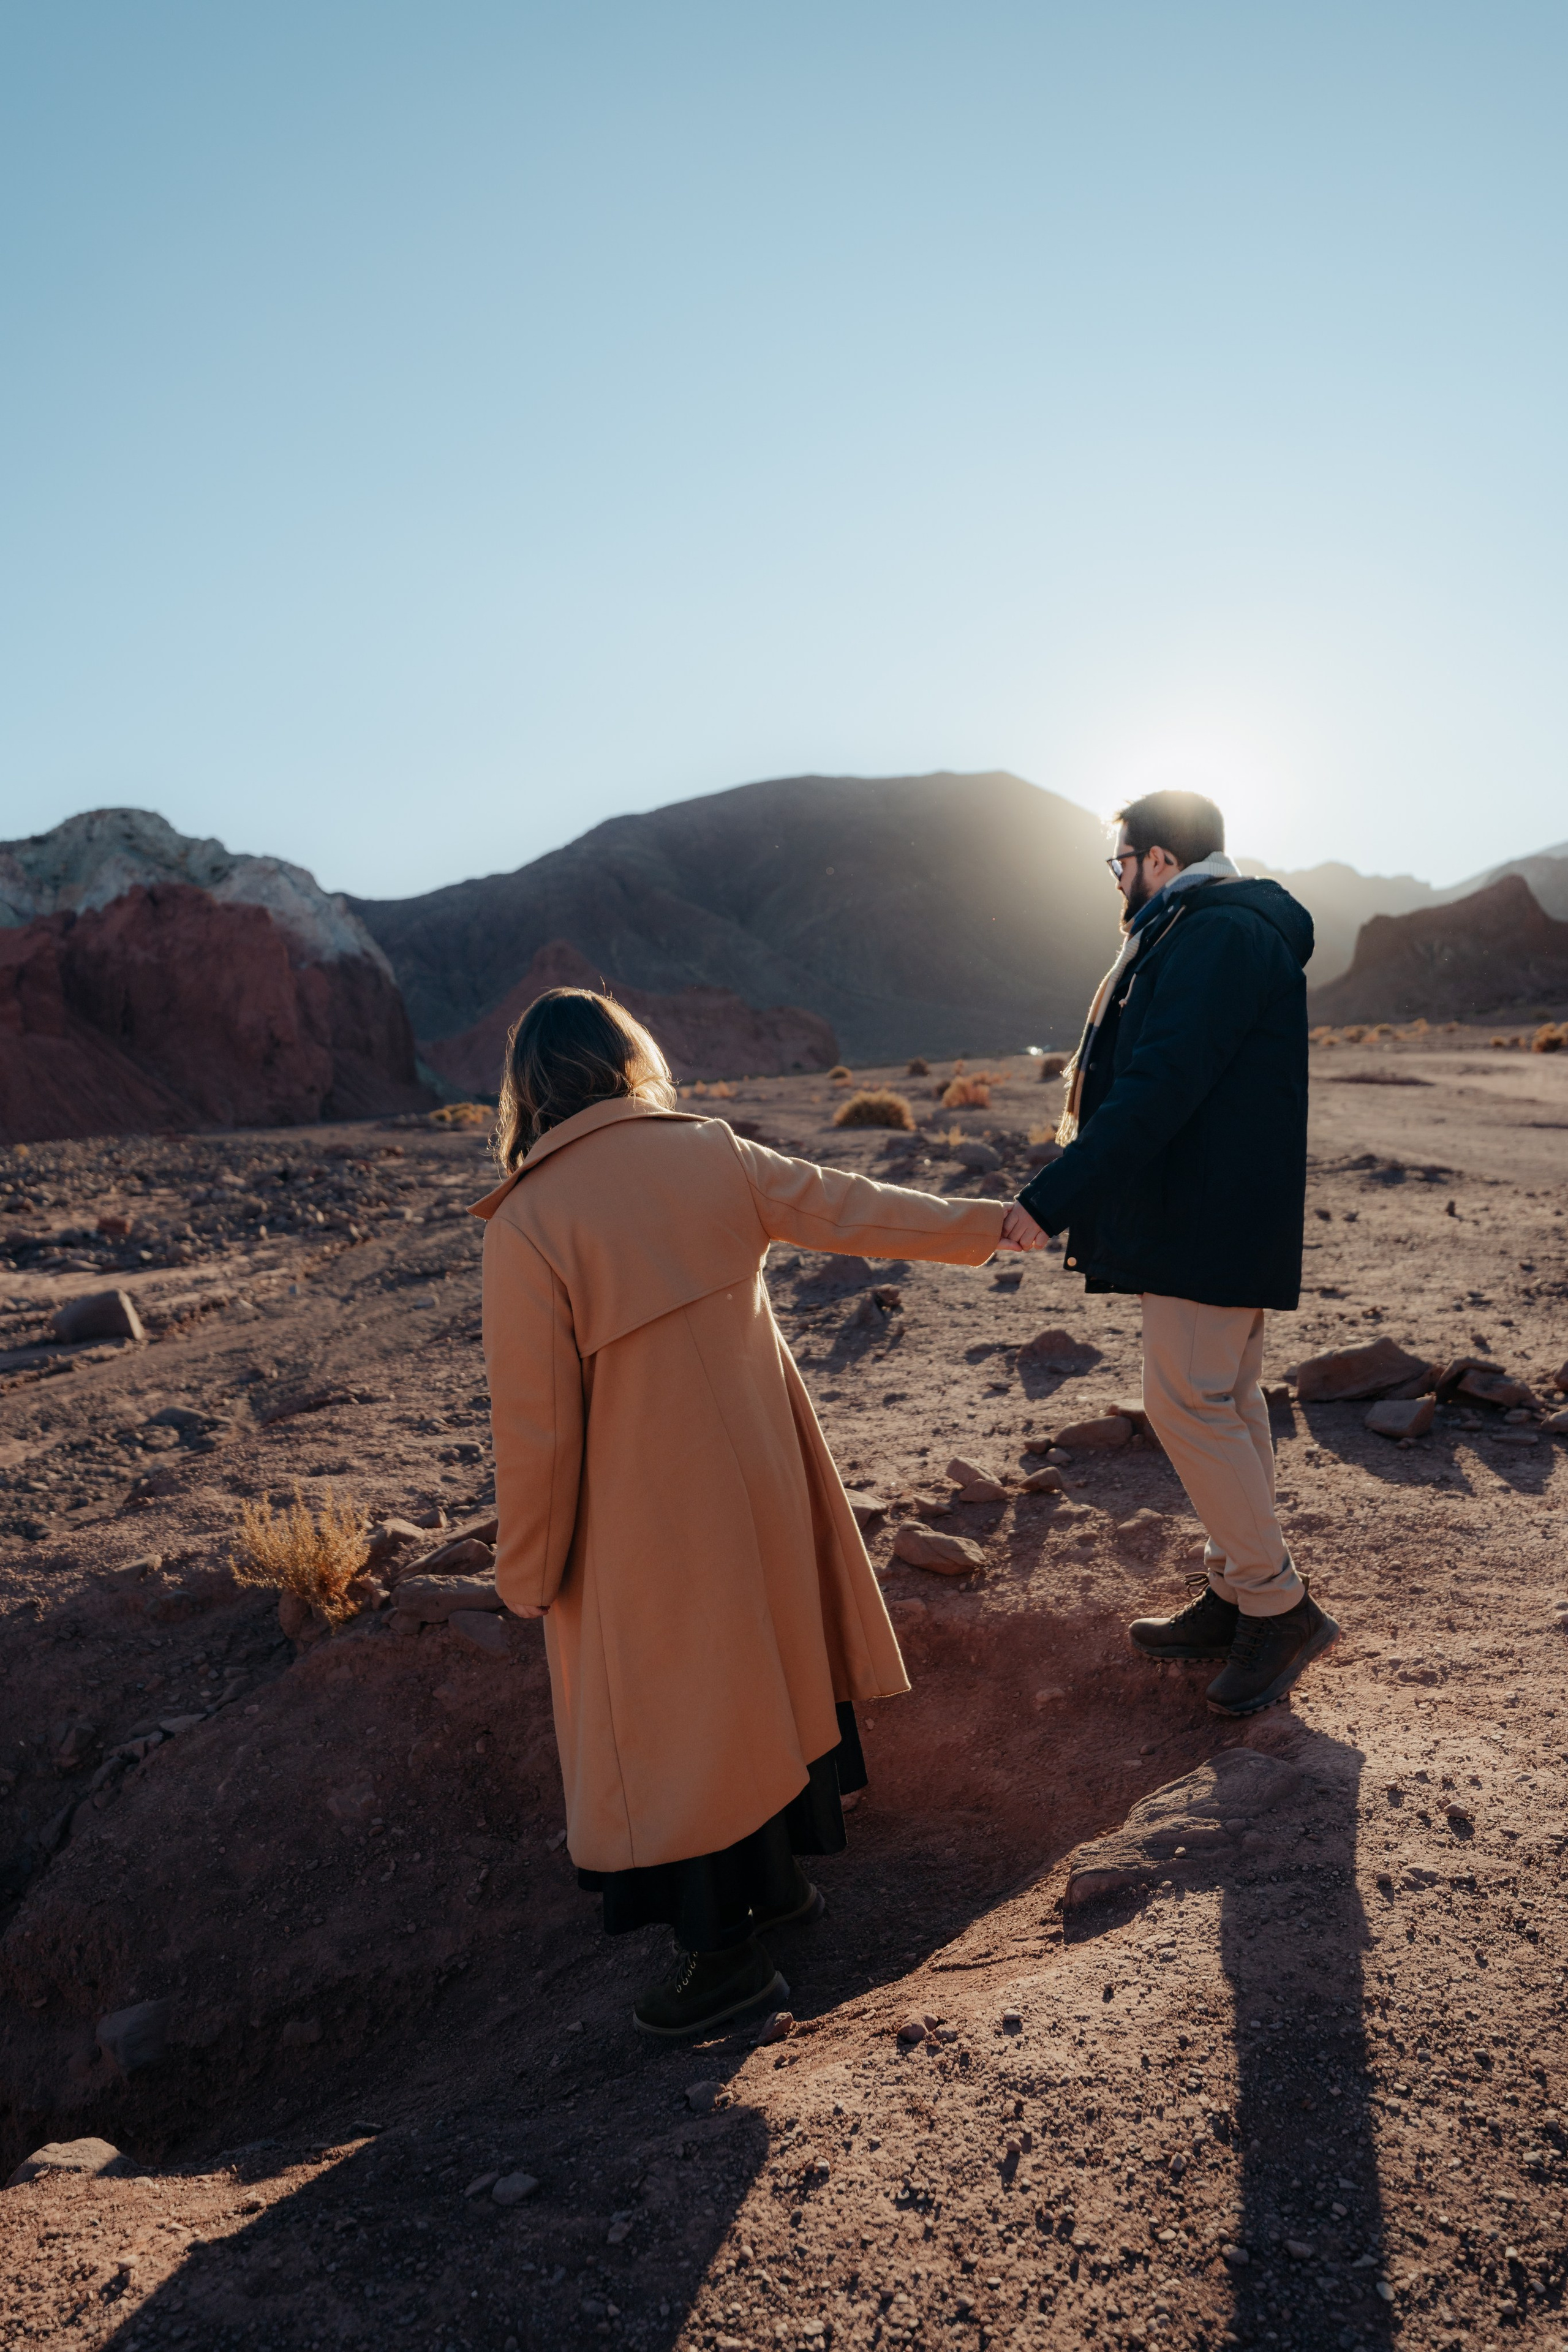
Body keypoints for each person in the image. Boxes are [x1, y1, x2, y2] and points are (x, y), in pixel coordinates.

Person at [472, 988, 1011, 2038]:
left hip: (643, 1517)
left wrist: (527, 1574)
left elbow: (536, 1435)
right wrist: (995, 1226)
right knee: (757, 1675)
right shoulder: (709, 1149)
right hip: (759, 1480)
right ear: (630, 1061)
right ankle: (781, 1888)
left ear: (526, 1093)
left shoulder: (531, 1221)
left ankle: (722, 1962)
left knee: (672, 1723)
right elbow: (855, 1208)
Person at [1001, 788, 1339, 1716]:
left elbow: (1160, 1082)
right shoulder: (1207, 927)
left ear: (1157, 858)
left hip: (1206, 1217)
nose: (1117, 880)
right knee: (1225, 1400)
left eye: (1122, 862)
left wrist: (1055, 1199)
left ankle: (1278, 1606)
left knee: (1185, 1401)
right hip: (1216, 1215)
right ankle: (1236, 1590)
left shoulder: (1215, 934)